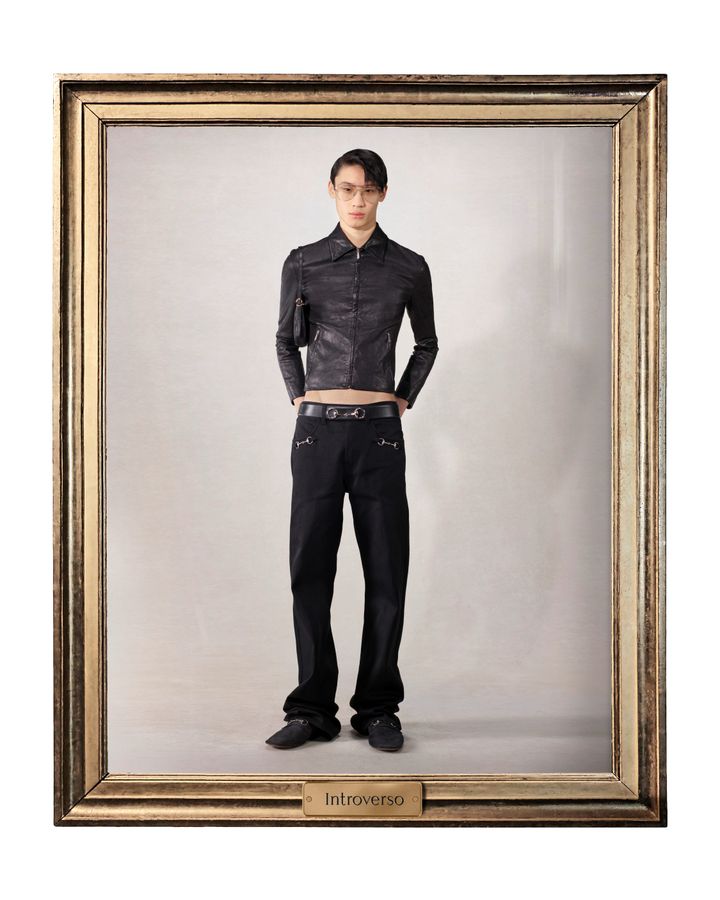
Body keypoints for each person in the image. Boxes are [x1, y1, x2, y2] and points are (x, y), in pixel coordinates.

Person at [266, 148, 439, 752]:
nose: (357, 200)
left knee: (387, 569)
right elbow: (285, 341)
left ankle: (378, 708)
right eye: (347, 189)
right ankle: (311, 708)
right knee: (309, 569)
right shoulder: (304, 262)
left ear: (383, 193)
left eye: (367, 189)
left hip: (379, 435)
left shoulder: (409, 267)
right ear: (332, 192)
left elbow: (427, 343)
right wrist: (300, 397)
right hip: (316, 434)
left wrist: (402, 398)